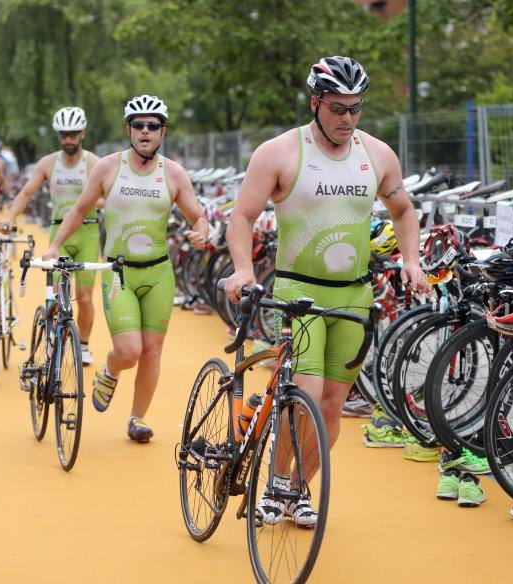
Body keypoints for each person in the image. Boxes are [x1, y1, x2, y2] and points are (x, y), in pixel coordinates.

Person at [224, 56, 430, 526]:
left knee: (334, 405)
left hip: (354, 296)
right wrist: (242, 270)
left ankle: (299, 489)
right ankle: (275, 487)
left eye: (356, 109)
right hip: (300, 293)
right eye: (338, 108)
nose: (348, 119)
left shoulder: (376, 154)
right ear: (316, 102)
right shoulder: (278, 152)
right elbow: (242, 217)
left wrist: (411, 260)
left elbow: (403, 212)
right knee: (307, 394)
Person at [41, 95, 208, 443]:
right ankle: (111, 367)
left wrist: (202, 232)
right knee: (130, 351)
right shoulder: (108, 168)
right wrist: (54, 246)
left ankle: (138, 418)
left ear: (163, 131)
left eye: (153, 126)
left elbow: (198, 215)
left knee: (152, 352)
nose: (145, 131)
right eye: (138, 125)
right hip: (120, 273)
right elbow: (77, 210)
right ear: (128, 129)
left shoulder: (173, 173)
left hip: (159, 274)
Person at [3, 107, 101, 365]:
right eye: (63, 135)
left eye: (73, 134)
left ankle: (84, 345)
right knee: (57, 294)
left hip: (89, 232)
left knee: (86, 296)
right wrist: (10, 218)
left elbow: (108, 195)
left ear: (83, 134)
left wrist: (95, 203)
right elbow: (25, 194)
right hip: (60, 233)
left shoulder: (93, 162)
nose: (68, 140)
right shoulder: (48, 163)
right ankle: (54, 335)